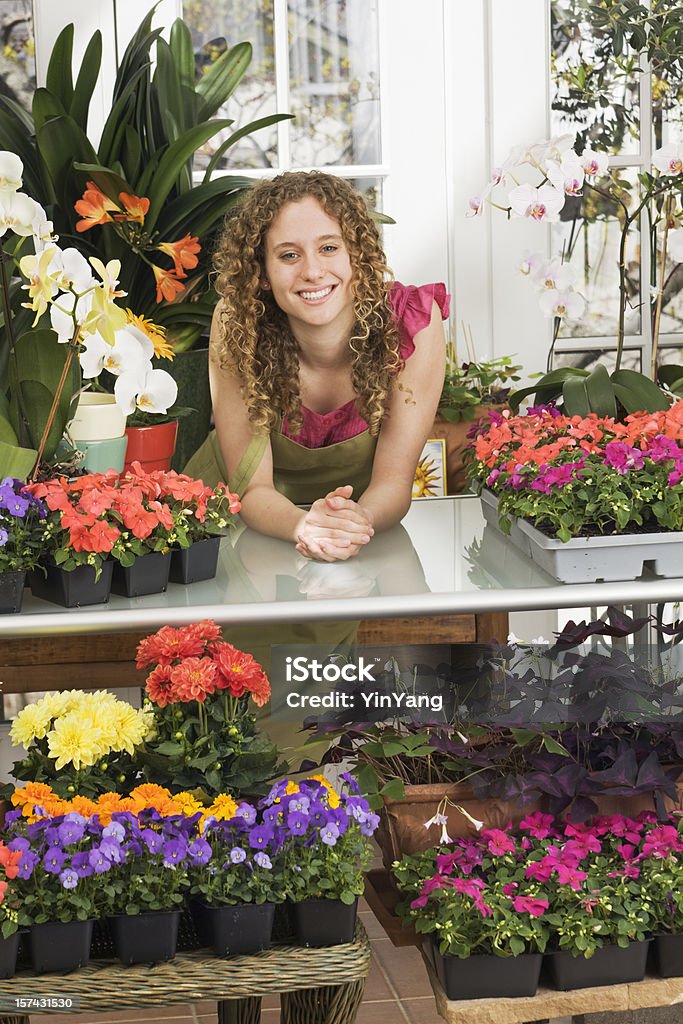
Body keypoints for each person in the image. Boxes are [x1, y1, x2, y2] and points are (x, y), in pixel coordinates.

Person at [185, 170, 449, 561]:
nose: (312, 271)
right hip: (229, 523)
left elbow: (394, 483)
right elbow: (253, 490)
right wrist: (305, 527)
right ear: (260, 272)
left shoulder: (411, 323)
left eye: (329, 248)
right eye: (289, 255)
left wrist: (355, 523)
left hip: (354, 533)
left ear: (357, 254)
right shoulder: (239, 322)